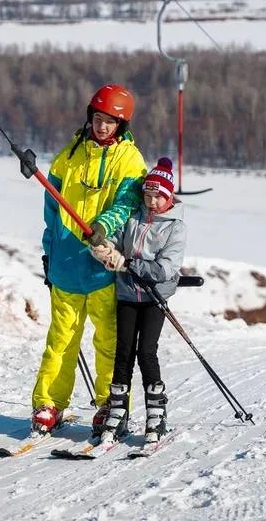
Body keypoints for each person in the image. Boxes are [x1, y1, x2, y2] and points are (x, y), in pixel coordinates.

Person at [31, 84, 147, 434]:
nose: (101, 127)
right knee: (61, 340)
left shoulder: (130, 161)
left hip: (103, 268)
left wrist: (103, 225)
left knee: (108, 341)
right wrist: (50, 254)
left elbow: (127, 204)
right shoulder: (68, 156)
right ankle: (49, 404)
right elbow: (52, 211)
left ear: (121, 125)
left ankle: (109, 405)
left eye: (110, 122)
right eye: (97, 119)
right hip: (67, 265)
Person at [90, 157, 187, 444]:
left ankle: (156, 412)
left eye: (158, 196)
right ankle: (117, 411)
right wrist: (105, 249)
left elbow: (164, 269)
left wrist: (127, 263)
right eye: (147, 195)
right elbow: (117, 243)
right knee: (123, 352)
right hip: (128, 293)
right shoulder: (133, 217)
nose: (152, 201)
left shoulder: (176, 227)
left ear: (168, 197)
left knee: (146, 351)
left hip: (155, 297)